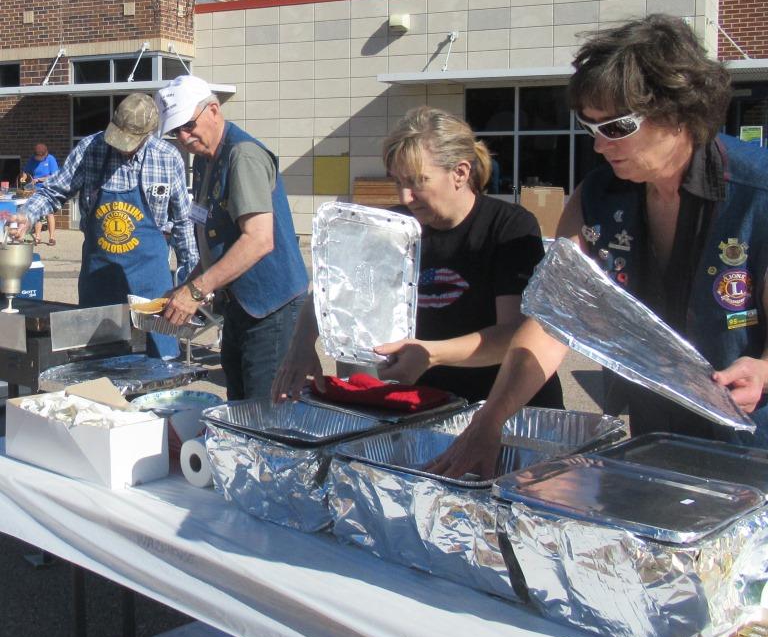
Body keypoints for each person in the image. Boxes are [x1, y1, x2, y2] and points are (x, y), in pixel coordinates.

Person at [432, 13, 768, 479]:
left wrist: (764, 368)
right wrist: (490, 421)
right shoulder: (596, 198)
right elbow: (552, 322)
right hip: (656, 438)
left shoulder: (757, 193)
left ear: (677, 111)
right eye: (590, 127)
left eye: (616, 127)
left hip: (753, 445)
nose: (598, 145)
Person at [271, 106, 564, 410]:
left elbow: (513, 334)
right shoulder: (392, 228)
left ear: (460, 173)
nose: (405, 197)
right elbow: (330, 289)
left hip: (508, 405)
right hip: (433, 404)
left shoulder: (508, 227)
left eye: (417, 181)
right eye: (398, 182)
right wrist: (302, 345)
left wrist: (430, 354)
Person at [155, 75, 308, 401]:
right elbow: (217, 238)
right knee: (238, 407)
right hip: (240, 306)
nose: (183, 137)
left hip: (270, 307)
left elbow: (258, 240)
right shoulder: (205, 159)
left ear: (213, 110)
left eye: (188, 125)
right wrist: (186, 287)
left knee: (262, 412)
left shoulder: (243, 156)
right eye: (175, 131)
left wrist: (196, 290)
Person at [12, 94, 197, 359]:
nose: (121, 147)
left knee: (160, 361)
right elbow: (54, 192)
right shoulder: (90, 149)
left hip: (151, 284)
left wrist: (192, 282)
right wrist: (27, 215)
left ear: (148, 134)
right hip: (99, 281)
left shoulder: (167, 158)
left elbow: (183, 223)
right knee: (98, 365)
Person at [21, 142, 58, 245]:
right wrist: (24, 177)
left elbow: (54, 176)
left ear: (45, 155)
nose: (37, 159)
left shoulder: (50, 159)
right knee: (37, 213)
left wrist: (38, 179)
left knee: (49, 213)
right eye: (36, 157)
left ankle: (52, 238)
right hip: (36, 190)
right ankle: (37, 237)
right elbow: (26, 172)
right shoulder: (32, 160)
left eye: (39, 157)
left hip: (48, 188)